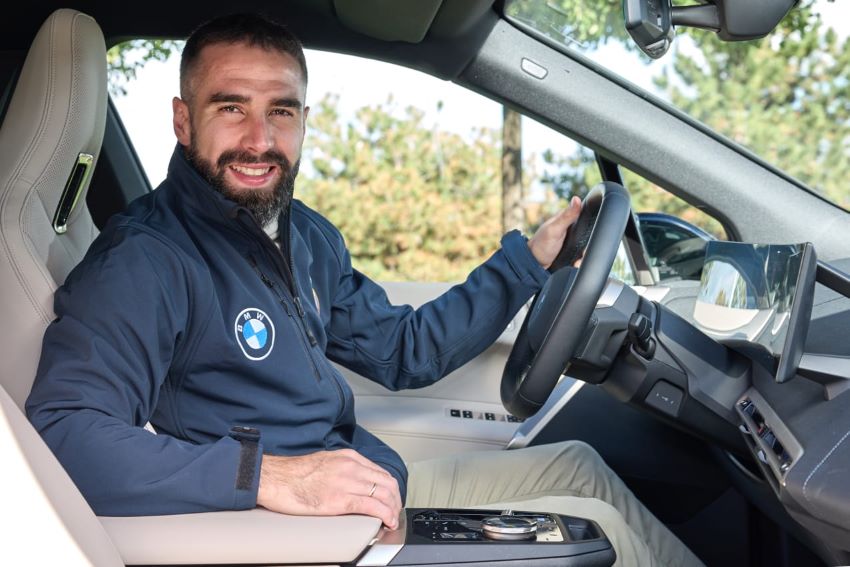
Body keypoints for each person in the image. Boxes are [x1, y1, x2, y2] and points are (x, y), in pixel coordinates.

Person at [26, 13, 702, 567]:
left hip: (362, 483)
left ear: (304, 119)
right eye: (231, 108)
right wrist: (269, 475)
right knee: (596, 529)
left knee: (583, 471)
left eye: (281, 112)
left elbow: (403, 350)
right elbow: (63, 437)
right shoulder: (146, 259)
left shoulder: (303, 235)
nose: (260, 139)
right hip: (299, 532)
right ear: (183, 120)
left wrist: (529, 262)